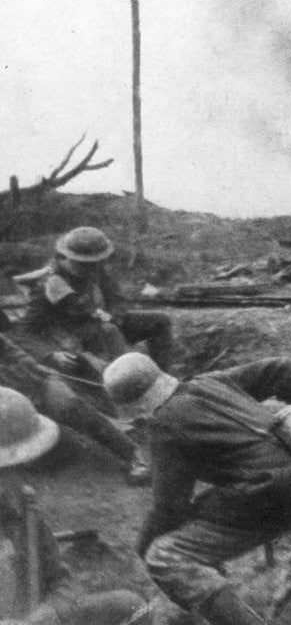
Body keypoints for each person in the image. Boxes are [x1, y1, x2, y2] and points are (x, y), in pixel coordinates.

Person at [102, 353, 291, 625]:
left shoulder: (164, 427)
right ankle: (212, 587)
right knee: (200, 513)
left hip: (273, 497)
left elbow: (169, 508)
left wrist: (143, 547)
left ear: (138, 404)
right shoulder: (212, 382)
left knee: (165, 557)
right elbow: (280, 368)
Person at [0, 386, 149, 624]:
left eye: (15, 468)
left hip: (34, 618)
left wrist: (48, 614)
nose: (11, 483)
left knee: (130, 605)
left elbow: (59, 579)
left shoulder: (22, 509)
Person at [18, 227, 179, 377]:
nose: (91, 269)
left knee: (159, 321)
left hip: (104, 324)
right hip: (73, 338)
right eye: (83, 264)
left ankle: (162, 378)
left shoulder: (94, 268)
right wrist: (50, 354)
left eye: (96, 262)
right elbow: (25, 332)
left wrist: (114, 315)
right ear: (68, 257)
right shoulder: (47, 285)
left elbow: (115, 299)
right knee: (111, 341)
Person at [0, 334, 148, 485]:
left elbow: (11, 349)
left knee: (72, 406)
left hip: (28, 383)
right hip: (6, 400)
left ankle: (131, 454)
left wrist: (29, 364)